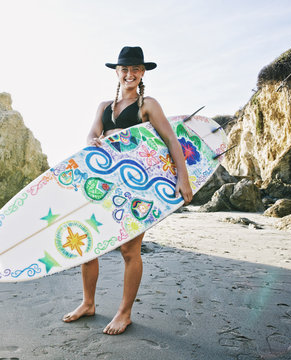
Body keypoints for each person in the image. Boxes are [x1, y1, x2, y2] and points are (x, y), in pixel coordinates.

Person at [62, 46, 193, 335]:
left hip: (139, 187)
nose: (130, 74)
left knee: (129, 249)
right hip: (105, 185)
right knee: (88, 244)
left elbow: (172, 141)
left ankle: (124, 312)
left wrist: (183, 178)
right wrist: (93, 139)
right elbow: (90, 135)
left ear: (142, 72)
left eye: (135, 69)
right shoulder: (104, 106)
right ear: (117, 72)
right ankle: (88, 303)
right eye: (125, 69)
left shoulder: (149, 105)